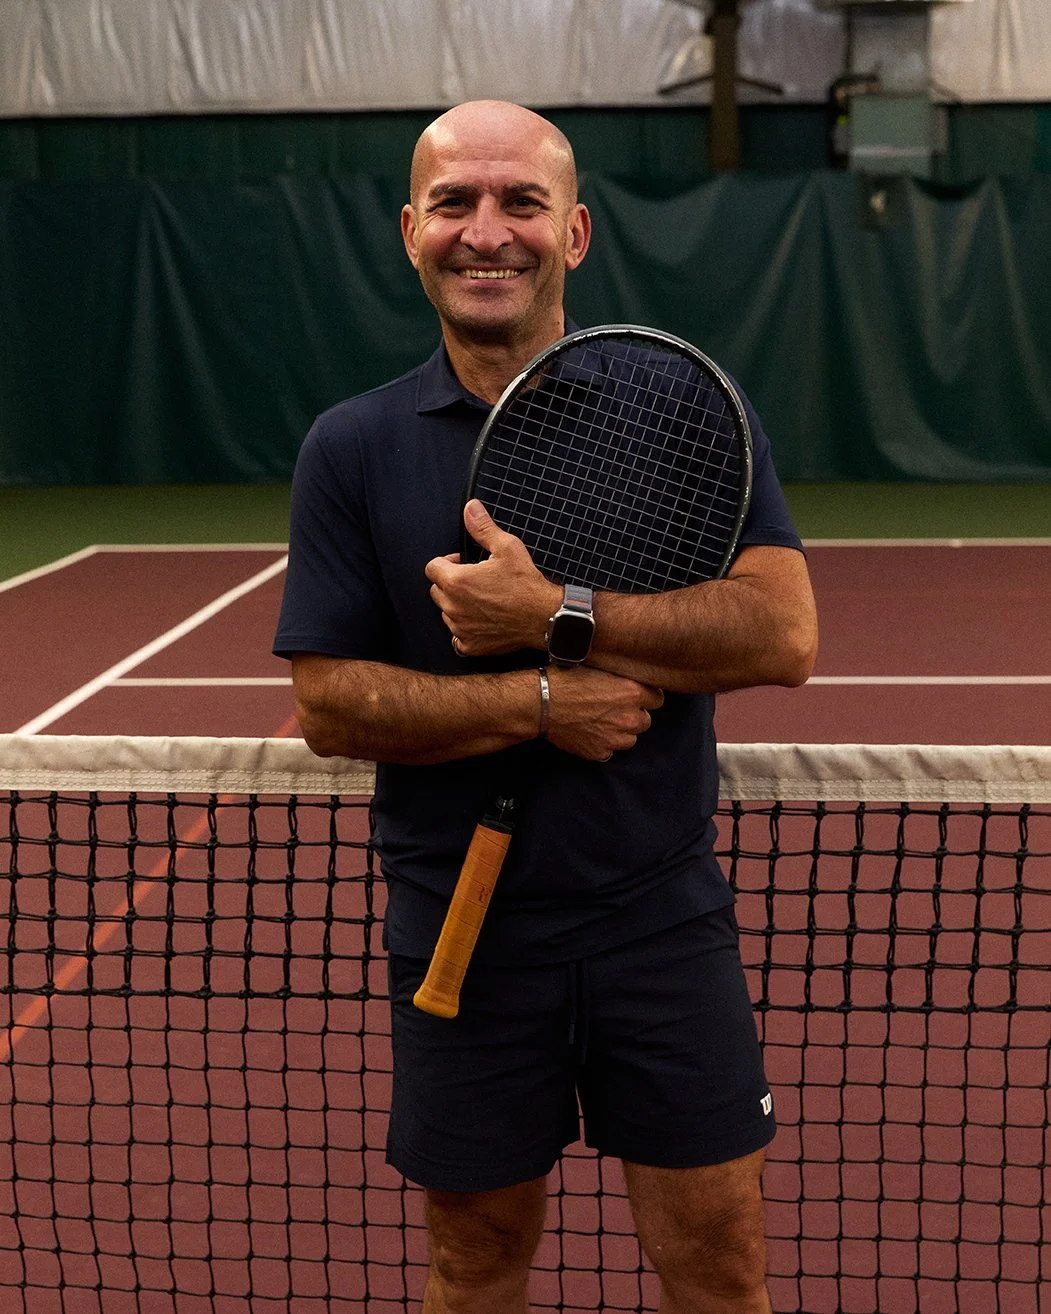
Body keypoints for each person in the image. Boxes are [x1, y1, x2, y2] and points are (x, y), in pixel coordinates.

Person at [274, 100, 817, 1314]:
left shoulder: (682, 409)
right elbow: (329, 706)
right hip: (459, 936)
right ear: (408, 230)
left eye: (521, 202)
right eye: (454, 204)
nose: (487, 232)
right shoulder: (351, 447)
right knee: (474, 1264)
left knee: (719, 1266)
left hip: (660, 922)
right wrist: (537, 701)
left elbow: (781, 635)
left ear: (572, 232)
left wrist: (554, 615)